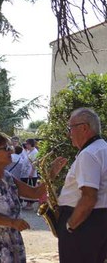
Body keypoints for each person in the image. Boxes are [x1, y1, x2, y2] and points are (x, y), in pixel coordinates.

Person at [0, 134, 53, 262]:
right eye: (6, 148)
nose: (11, 151)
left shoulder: (7, 176)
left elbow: (35, 193)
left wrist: (51, 173)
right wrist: (12, 222)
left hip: (13, 238)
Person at [52, 108, 107, 263]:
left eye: (70, 128)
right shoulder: (102, 148)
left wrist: (70, 225)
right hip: (97, 221)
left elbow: (89, 197)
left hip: (83, 224)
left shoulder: (89, 153)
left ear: (84, 127)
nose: (69, 134)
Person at [22, 138, 39, 210]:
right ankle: (27, 203)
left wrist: (31, 172)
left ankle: (30, 204)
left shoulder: (35, 152)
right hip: (26, 173)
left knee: (30, 188)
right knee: (27, 188)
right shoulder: (29, 151)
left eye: (27, 144)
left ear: (30, 144)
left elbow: (35, 163)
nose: (26, 145)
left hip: (31, 173)